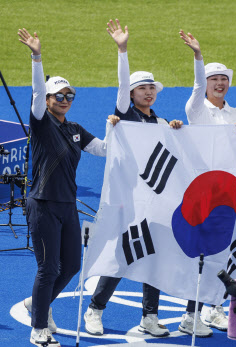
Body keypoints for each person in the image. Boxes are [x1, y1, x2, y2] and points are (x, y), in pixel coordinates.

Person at [18, 28, 119, 347]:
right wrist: (37, 56)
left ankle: (37, 303)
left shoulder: (75, 129)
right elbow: (35, 94)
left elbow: (104, 150)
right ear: (47, 100)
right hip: (42, 204)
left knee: (72, 265)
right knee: (48, 268)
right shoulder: (41, 122)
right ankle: (38, 328)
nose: (65, 100)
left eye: (69, 95)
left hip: (66, 205)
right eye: (58, 96)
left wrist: (111, 126)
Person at [83, 18, 183, 339]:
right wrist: (122, 50)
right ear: (130, 93)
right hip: (128, 199)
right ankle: (95, 309)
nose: (149, 92)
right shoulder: (125, 113)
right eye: (142, 88)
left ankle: (149, 317)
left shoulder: (163, 121)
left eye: (152, 87)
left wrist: (178, 133)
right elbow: (121, 84)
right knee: (122, 255)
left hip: (155, 202)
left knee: (154, 257)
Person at [178, 30, 236, 334]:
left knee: (223, 252)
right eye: (214, 79)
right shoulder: (196, 110)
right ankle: (189, 315)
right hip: (204, 193)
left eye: (224, 79)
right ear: (206, 84)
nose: (220, 83)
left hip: (229, 194)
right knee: (202, 254)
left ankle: (214, 307)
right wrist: (198, 55)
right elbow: (195, 87)